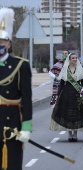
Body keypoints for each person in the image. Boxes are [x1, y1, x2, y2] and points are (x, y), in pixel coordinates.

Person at [0, 8, 32, 170]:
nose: (0, 43)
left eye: (2, 40)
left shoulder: (21, 66)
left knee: (11, 165)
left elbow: (26, 99)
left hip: (11, 127)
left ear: (9, 43)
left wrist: (26, 127)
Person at [50, 53, 83, 142]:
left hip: (77, 94)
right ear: (69, 60)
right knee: (67, 114)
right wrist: (58, 96)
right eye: (73, 58)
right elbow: (61, 84)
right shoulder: (65, 70)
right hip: (66, 94)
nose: (74, 59)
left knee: (77, 114)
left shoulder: (80, 69)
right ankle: (69, 133)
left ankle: (75, 133)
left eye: (75, 58)